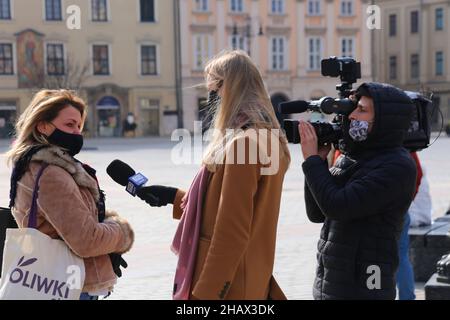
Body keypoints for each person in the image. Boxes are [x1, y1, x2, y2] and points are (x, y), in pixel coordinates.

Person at [136, 50, 291, 300]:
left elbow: (232, 230)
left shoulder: (244, 143)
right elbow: (235, 206)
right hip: (250, 273)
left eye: (213, 90)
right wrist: (173, 197)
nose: (211, 99)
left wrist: (205, 295)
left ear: (228, 88)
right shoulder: (268, 137)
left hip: (230, 284)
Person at [6, 90, 134, 300]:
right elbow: (86, 240)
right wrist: (122, 232)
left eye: (79, 126)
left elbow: (73, 219)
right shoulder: (50, 174)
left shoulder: (37, 165)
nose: (76, 133)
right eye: (69, 125)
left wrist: (103, 223)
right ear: (43, 126)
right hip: (68, 287)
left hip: (62, 283)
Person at [299, 82, 417, 300]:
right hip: (334, 282)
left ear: (383, 121)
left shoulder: (396, 166)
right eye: (354, 109)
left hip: (366, 286)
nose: (352, 116)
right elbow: (317, 212)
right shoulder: (355, 157)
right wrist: (320, 162)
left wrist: (312, 162)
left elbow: (338, 206)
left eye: (362, 110)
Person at [396, 151, 432, 300]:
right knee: (401, 256)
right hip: (400, 210)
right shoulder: (405, 138)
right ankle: (407, 297)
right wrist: (406, 199)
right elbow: (416, 173)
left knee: (375, 259)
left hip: (373, 213)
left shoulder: (356, 138)